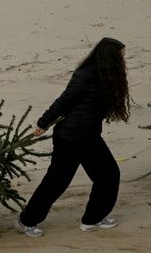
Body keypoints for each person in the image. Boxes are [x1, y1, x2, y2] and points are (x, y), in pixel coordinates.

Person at [15, 37, 130, 238]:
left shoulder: (107, 76)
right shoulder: (86, 75)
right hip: (71, 137)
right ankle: (27, 221)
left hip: (89, 136)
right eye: (120, 56)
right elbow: (64, 100)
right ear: (109, 57)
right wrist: (43, 123)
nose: (123, 59)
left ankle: (92, 219)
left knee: (108, 175)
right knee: (57, 181)